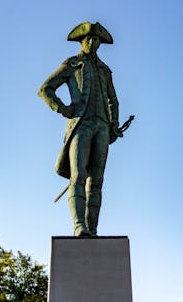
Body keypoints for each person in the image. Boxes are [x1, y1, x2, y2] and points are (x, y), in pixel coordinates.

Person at [38, 21, 121, 237]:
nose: (93, 43)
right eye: (89, 39)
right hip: (80, 126)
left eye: (96, 40)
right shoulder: (72, 64)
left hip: (101, 127)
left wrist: (114, 124)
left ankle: (92, 228)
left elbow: (113, 100)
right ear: (82, 41)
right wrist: (62, 108)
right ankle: (79, 225)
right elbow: (45, 89)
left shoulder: (105, 70)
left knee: (97, 180)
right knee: (78, 176)